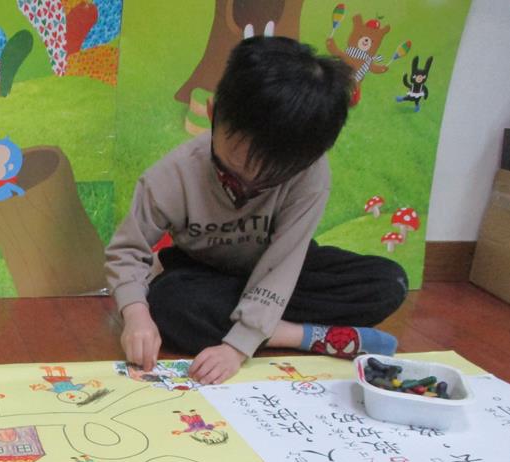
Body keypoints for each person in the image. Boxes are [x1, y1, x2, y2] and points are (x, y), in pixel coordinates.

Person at [106, 36, 409, 385]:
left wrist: (237, 347)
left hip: (283, 267)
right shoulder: (172, 175)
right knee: (169, 303)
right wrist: (136, 315)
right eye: (233, 169)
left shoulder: (311, 173)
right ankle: (297, 332)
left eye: (272, 179)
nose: (249, 185)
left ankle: (278, 332)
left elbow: (284, 263)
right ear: (213, 112)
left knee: (388, 282)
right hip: (209, 274)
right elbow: (127, 250)